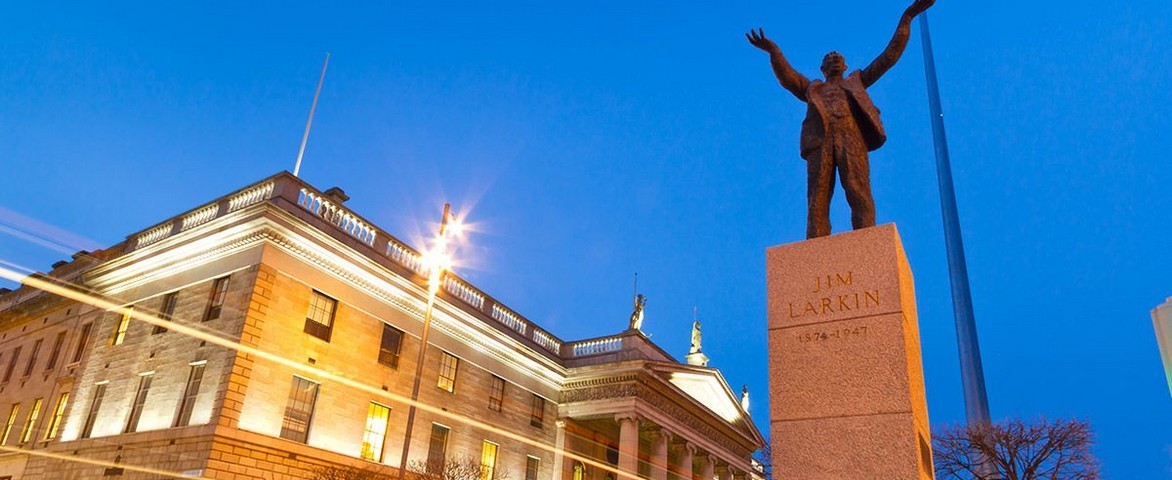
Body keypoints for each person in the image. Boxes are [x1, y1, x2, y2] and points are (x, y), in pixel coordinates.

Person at [747, 0, 935, 238]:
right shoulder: (812, 88)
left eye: (838, 57)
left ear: (845, 66)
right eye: (829, 58)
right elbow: (788, 77)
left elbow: (889, 56)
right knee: (818, 195)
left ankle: (866, 239)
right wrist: (774, 51)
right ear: (822, 68)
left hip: (850, 136)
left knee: (858, 190)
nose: (834, 58)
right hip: (820, 140)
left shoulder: (857, 81)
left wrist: (907, 17)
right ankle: (816, 245)